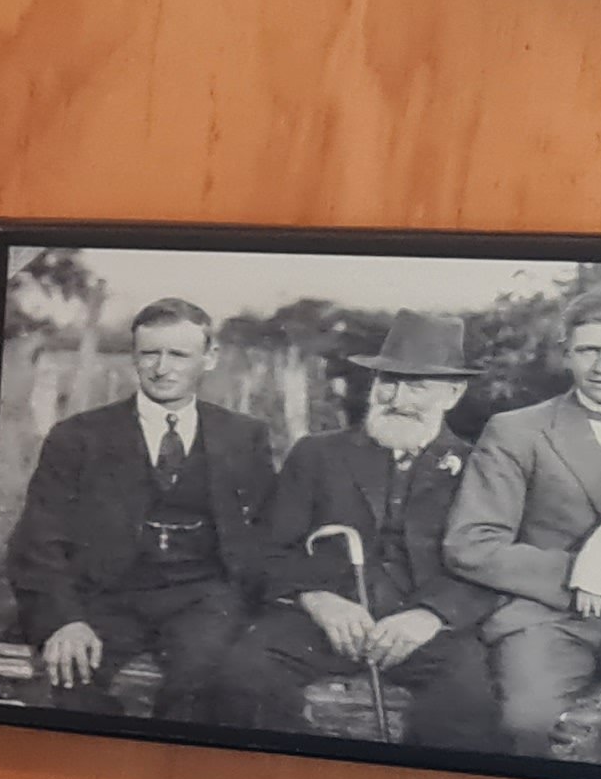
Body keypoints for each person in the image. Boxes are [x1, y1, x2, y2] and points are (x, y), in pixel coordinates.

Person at [214, 312, 501, 752]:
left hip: (426, 633)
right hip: (320, 626)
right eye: (388, 380)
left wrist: (430, 616)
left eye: (417, 385)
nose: (397, 397)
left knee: (467, 706)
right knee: (241, 679)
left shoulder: (479, 467)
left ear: (453, 393)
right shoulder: (317, 454)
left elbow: (491, 564)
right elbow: (267, 550)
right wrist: (319, 599)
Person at [1, 298, 277, 721]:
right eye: (150, 353)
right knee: (66, 680)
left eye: (178, 354)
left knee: (204, 688)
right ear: (134, 356)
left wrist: (251, 608)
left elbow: (263, 536)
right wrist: (63, 620)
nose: (161, 368)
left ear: (209, 358)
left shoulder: (243, 437)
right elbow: (38, 540)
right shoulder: (79, 437)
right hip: (108, 595)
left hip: (203, 599)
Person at [442, 286, 601, 758]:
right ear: (565, 355)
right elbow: (471, 543)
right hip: (551, 618)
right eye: (589, 350)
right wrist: (580, 576)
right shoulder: (518, 430)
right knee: (527, 723)